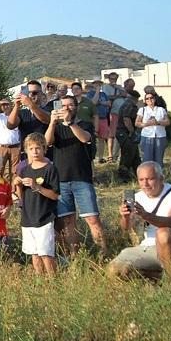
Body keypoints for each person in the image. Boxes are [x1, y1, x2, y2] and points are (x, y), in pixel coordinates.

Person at [108, 161, 171, 281]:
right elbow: (126, 229)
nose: (145, 184)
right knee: (113, 270)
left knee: (163, 233)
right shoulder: (137, 197)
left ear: (161, 178)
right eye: (141, 180)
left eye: (150, 179)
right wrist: (125, 217)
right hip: (148, 247)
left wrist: (146, 215)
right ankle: (158, 277)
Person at [47, 95, 107, 255]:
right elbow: (47, 142)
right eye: (63, 105)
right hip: (61, 181)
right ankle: (75, 257)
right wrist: (52, 123)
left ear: (76, 108)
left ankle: (103, 253)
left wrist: (69, 123)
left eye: (70, 105)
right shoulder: (57, 127)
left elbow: (85, 138)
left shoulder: (85, 124)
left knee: (92, 219)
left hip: (82, 180)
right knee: (67, 221)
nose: (66, 108)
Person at [14, 133, 60, 275]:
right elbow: (21, 198)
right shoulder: (24, 169)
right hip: (28, 218)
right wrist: (18, 186)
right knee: (34, 253)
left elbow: (55, 195)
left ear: (44, 149)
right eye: (31, 148)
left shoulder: (50, 168)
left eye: (38, 148)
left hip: (44, 217)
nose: (35, 151)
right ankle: (40, 281)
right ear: (26, 150)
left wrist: (37, 187)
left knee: (45, 253)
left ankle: (53, 282)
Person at [0, 98, 22, 179]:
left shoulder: (16, 116)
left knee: (15, 172)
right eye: (3, 105)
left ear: (11, 105)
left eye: (7, 104)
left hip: (15, 147)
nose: (5, 106)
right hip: (1, 147)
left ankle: (14, 190)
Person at [137, 90, 169, 165]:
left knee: (159, 159)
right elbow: (137, 123)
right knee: (147, 159)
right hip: (147, 136)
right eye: (147, 98)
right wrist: (146, 124)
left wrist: (158, 122)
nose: (149, 100)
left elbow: (167, 122)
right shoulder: (142, 110)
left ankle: (158, 175)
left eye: (151, 98)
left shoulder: (161, 109)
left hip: (160, 136)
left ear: (154, 99)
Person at [115, 88, 142, 178]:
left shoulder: (126, 104)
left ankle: (137, 174)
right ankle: (123, 176)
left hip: (123, 132)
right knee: (128, 154)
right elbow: (126, 119)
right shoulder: (130, 105)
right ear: (135, 98)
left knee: (134, 154)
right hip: (125, 132)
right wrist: (131, 131)